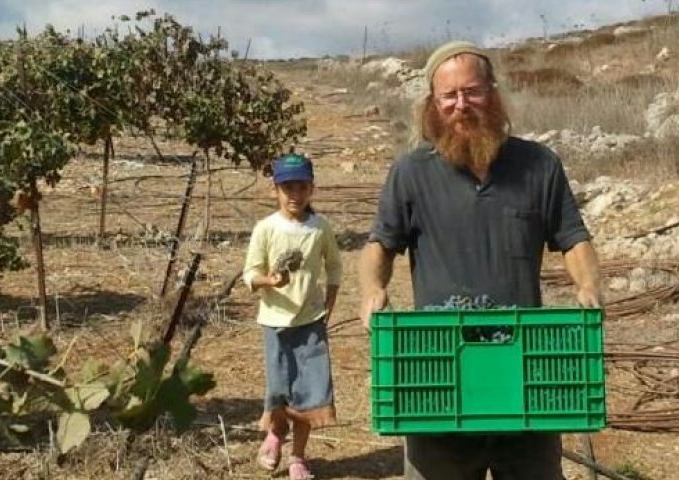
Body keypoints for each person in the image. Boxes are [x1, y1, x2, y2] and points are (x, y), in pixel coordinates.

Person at [358, 41, 603, 480]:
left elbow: (573, 239)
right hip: (440, 373)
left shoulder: (539, 165)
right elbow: (380, 244)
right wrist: (372, 291)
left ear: (492, 91)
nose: (460, 105)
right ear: (433, 104)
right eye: (448, 96)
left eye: (471, 92)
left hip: (523, 373)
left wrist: (588, 287)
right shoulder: (411, 173)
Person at [242, 153, 342, 480]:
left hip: (311, 324)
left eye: (301, 187)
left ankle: (298, 457)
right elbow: (250, 274)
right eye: (288, 188)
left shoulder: (319, 228)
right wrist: (268, 281)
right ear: (275, 190)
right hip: (276, 323)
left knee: (310, 394)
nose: (295, 195)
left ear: (312, 189)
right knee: (278, 391)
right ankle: (274, 435)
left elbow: (334, 266)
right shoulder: (266, 229)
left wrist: (329, 303)